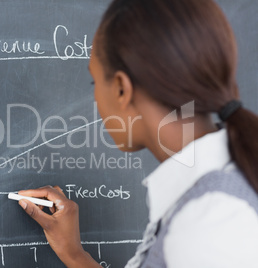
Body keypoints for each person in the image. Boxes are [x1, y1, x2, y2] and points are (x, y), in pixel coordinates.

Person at [17, 0, 258, 267]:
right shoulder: (216, 194)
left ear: (121, 89)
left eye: (94, 82)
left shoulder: (207, 225)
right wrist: (74, 254)